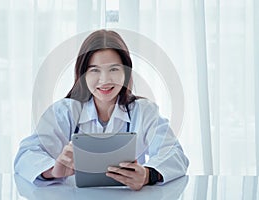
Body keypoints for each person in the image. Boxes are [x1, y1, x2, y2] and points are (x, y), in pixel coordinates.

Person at [14, 29, 189, 191]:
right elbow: (25, 155)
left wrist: (148, 175)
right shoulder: (64, 111)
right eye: (94, 70)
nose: (104, 80)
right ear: (83, 75)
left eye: (113, 69)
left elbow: (175, 154)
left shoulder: (144, 111)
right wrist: (53, 171)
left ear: (126, 72)